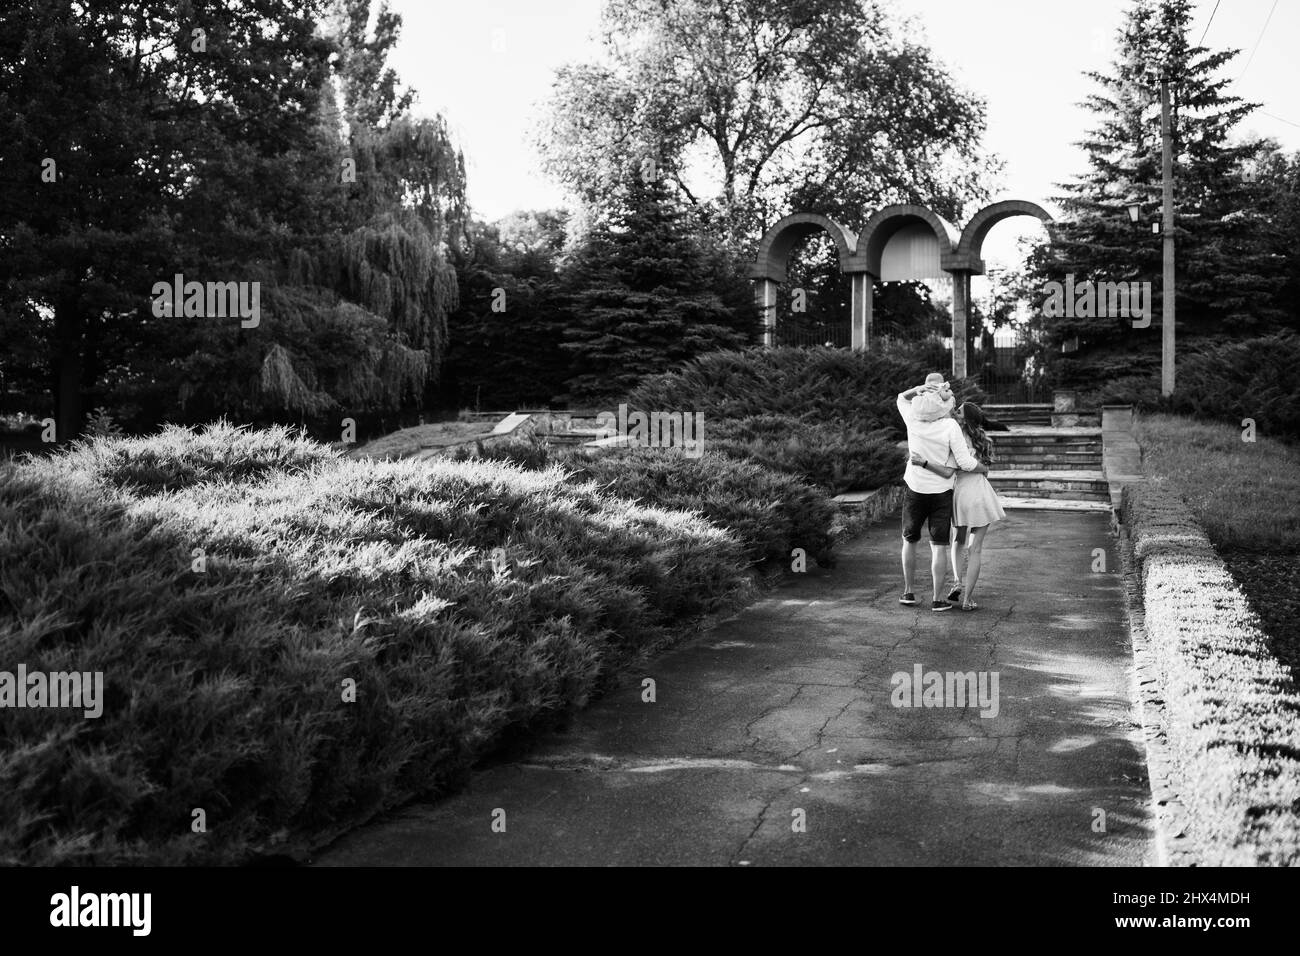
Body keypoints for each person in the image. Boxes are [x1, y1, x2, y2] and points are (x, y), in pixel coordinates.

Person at [896, 378, 986, 612]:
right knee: (939, 547)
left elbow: (900, 398)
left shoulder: (912, 420)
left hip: (915, 489)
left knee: (909, 541)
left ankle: (908, 592)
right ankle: (937, 599)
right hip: (941, 492)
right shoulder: (950, 427)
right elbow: (965, 463)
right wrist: (982, 468)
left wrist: (917, 389)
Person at [909, 402, 1006, 611]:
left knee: (958, 541)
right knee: (976, 548)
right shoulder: (984, 441)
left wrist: (923, 462)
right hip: (980, 493)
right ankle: (967, 599)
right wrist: (981, 469)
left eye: (959, 411)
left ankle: (957, 582)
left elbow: (948, 470)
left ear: (965, 418)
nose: (955, 412)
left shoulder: (954, 439)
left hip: (960, 495)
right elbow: (985, 468)